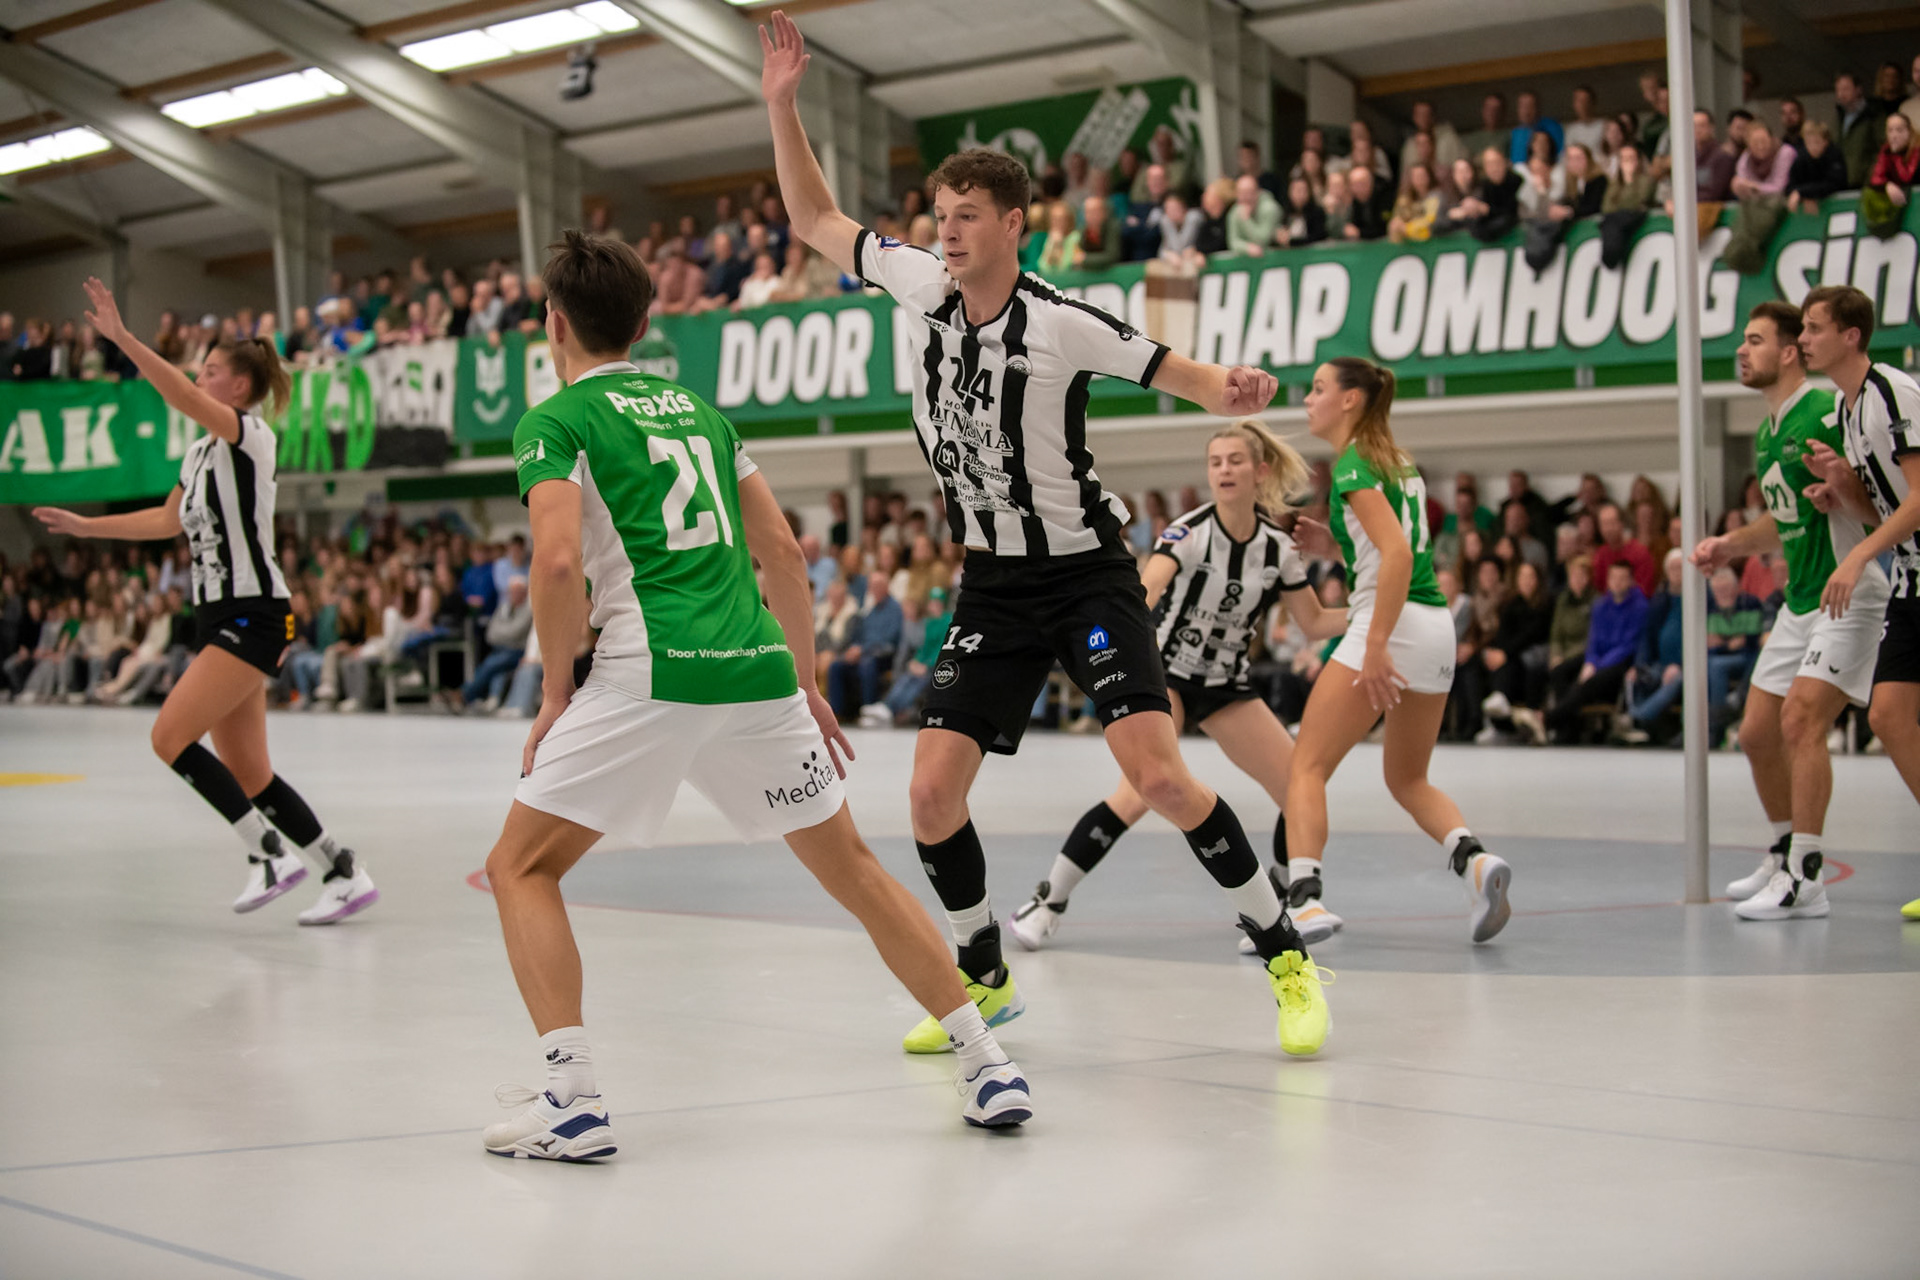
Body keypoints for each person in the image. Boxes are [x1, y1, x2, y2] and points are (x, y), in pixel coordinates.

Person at [759, 10, 1330, 1056]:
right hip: (992, 584)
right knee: (930, 795)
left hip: (1087, 577)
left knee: (1160, 777)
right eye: (941, 215)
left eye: (968, 216)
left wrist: (1234, 388)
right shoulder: (917, 285)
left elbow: (1181, 374)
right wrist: (782, 105)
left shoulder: (1061, 321)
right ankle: (983, 976)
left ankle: (1285, 954)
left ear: (1015, 223)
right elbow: (813, 216)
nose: (948, 232)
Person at [484, 231, 1035, 1159]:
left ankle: (570, 1099)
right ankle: (987, 1062)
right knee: (856, 870)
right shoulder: (703, 416)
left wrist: (553, 693)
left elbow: (557, 561)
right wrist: (807, 680)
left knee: (520, 868)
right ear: (644, 324)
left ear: (554, 325)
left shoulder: (556, 421)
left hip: (650, 672)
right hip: (758, 671)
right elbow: (782, 552)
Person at [32, 279, 375, 924]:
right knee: (251, 774)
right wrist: (87, 526)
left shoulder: (252, 436)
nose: (199, 377)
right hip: (216, 615)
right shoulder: (198, 454)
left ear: (238, 387)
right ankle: (341, 869)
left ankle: (267, 853)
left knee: (169, 736)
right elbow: (165, 521)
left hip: (255, 611)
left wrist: (123, 338)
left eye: (211, 371)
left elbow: (182, 396)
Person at [1007, 421, 1350, 949]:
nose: (1224, 470)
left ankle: (1286, 902)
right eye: (1216, 462)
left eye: (1235, 461)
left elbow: (1316, 622)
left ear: (1260, 471)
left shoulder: (1278, 547)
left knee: (1299, 786)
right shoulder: (1189, 533)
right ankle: (1048, 900)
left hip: (1227, 685)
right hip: (1164, 674)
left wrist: (1380, 609)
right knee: (1140, 793)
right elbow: (1144, 591)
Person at [1287, 358, 1512, 942]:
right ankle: (1475, 860)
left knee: (1306, 765)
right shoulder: (1396, 460)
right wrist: (1334, 546)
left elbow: (1398, 556)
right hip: (1436, 627)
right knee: (1408, 778)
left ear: (1350, 400)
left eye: (1318, 389)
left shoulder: (1351, 464)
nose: (1307, 398)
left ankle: (1303, 900)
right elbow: (1387, 545)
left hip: (1393, 621)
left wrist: (1376, 644)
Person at [1691, 301, 1888, 919]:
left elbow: (1875, 497)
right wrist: (1729, 545)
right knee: (1755, 733)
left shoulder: (1824, 410)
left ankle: (1807, 877)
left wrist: (1841, 487)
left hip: (1848, 591)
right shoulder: (1767, 432)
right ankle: (1782, 852)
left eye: (1755, 340)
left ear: (1788, 352)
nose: (1742, 350)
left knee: (1801, 721)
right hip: (1800, 601)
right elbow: (1783, 521)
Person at [1795, 285, 1920, 922]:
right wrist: (1842, 492)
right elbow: (1886, 510)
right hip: (1913, 579)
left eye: (1813, 328)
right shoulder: (1848, 411)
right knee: (1889, 717)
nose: (1803, 339)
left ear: (1851, 335)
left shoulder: (1892, 393)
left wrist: (1857, 556)